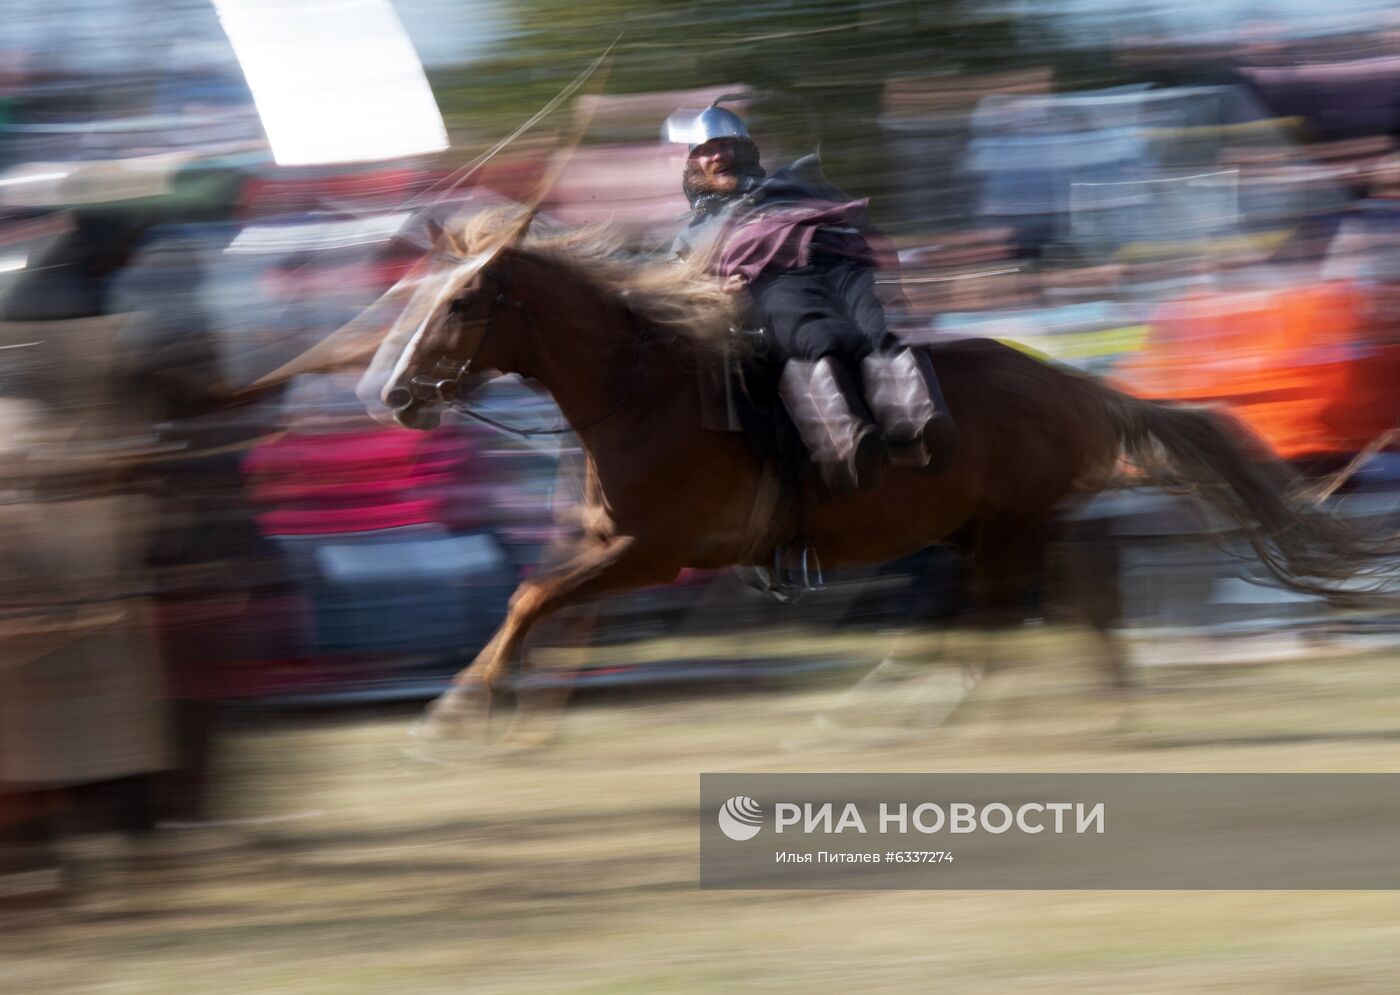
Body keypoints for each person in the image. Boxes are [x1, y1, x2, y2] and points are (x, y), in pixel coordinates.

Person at [666, 102, 955, 492]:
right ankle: (846, 441)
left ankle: (919, 422)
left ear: (743, 149)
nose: (717, 156)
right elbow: (677, 292)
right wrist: (717, 290)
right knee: (808, 328)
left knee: (877, 319)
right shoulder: (689, 237)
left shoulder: (790, 186)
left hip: (841, 262)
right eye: (704, 150)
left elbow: (848, 218)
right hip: (771, 282)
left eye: (724, 145)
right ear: (692, 164)